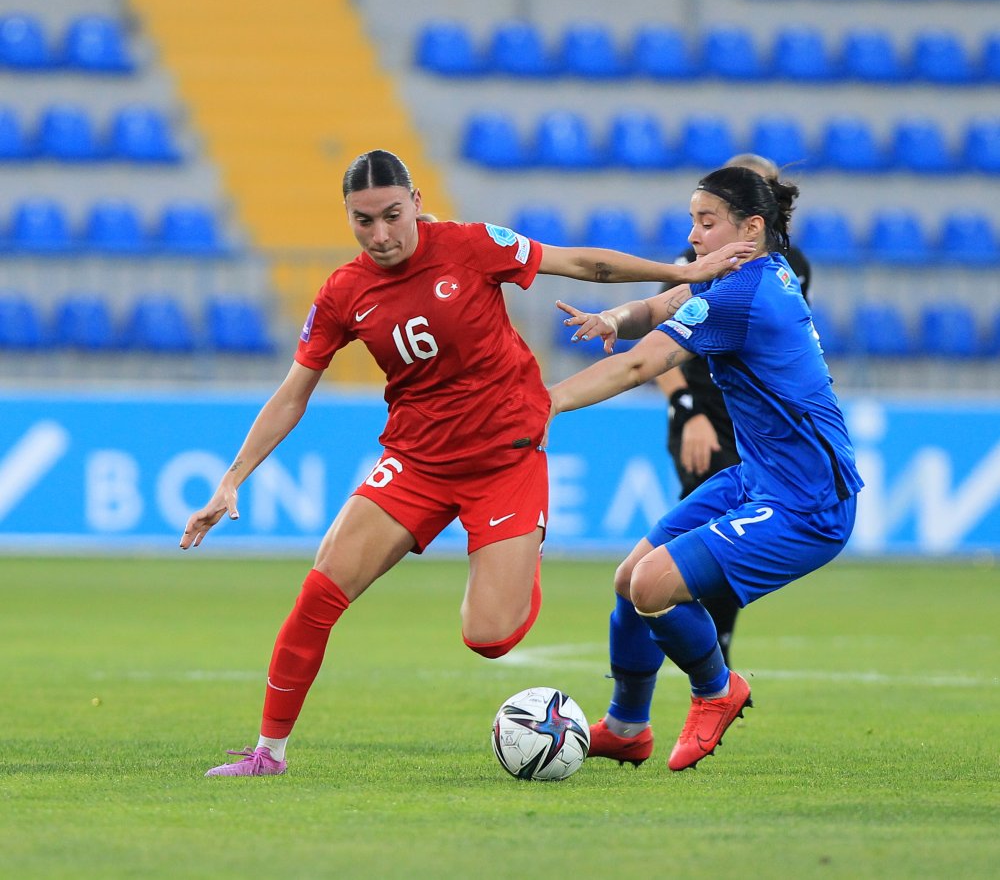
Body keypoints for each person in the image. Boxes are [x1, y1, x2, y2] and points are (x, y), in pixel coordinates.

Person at [181, 149, 753, 777]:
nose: (380, 235)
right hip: (415, 462)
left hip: (505, 457)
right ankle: (268, 754)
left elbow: (581, 263)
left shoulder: (472, 246)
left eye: (392, 216)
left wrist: (685, 273)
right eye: (363, 221)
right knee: (319, 592)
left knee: (490, 638)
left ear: (417, 203)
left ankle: (520, 544)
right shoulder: (344, 291)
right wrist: (232, 478)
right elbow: (293, 394)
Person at [550, 165, 862, 771]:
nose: (692, 236)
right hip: (758, 477)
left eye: (705, 222)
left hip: (809, 503)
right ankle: (626, 725)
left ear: (751, 227)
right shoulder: (747, 273)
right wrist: (610, 320)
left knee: (652, 586)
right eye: (692, 220)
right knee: (630, 579)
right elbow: (659, 304)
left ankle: (716, 691)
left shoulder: (745, 294)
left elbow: (642, 366)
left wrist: (548, 400)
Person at [656, 153, 813, 665]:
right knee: (689, 551)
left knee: (720, 547)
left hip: (754, 424)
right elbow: (658, 351)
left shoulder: (789, 268)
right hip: (703, 415)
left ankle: (713, 660)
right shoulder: (692, 263)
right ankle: (701, 666)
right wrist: (687, 412)